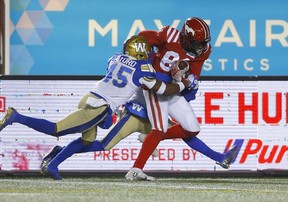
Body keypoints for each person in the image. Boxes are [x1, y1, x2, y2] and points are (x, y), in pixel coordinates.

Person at [0, 35, 195, 180]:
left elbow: (114, 71)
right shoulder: (143, 69)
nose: (151, 54)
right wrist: (183, 84)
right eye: (148, 51)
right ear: (141, 52)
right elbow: (163, 89)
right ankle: (17, 117)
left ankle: (53, 164)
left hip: (91, 97)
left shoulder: (116, 58)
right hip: (99, 106)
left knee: (87, 140)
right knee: (56, 129)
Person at [124, 17, 238, 181]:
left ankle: (151, 139)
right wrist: (146, 60)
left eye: (203, 43)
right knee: (160, 128)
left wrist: (190, 80)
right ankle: (135, 169)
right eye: (197, 43)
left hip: (172, 87)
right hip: (155, 85)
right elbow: (142, 37)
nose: (200, 48)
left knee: (192, 128)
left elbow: (194, 74)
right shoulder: (169, 35)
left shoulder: (204, 50)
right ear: (185, 36)